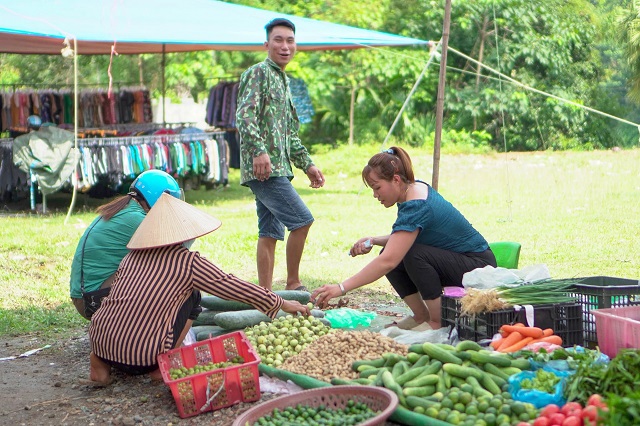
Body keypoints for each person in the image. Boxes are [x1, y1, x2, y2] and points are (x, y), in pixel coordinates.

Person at [86, 193, 311, 386]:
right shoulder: (188, 262)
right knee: (193, 297)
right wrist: (280, 302)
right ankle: (162, 364)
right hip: (145, 358)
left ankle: (100, 365)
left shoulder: (129, 258)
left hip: (101, 342)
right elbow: (232, 286)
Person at [311, 147, 496, 330]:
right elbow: (405, 237)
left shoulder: (416, 205)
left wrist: (341, 287)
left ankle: (437, 320)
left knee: (410, 255)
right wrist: (374, 240)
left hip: (478, 266)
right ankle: (420, 315)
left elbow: (389, 261)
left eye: (377, 187)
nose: (375, 195)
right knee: (394, 251)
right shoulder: (413, 189)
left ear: (396, 180)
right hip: (460, 261)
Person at [236, 17, 325, 292]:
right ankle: (293, 283)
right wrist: (259, 151)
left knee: (269, 233)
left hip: (280, 168)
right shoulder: (258, 73)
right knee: (302, 221)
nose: (285, 46)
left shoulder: (283, 81)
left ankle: (265, 295)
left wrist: (307, 164)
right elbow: (244, 115)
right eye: (279, 40)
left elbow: (289, 133)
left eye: (290, 40)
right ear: (267, 44)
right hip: (265, 170)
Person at [69, 169, 182, 319]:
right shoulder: (137, 219)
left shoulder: (126, 210)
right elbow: (173, 258)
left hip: (86, 297)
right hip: (92, 301)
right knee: (169, 273)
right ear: (160, 197)